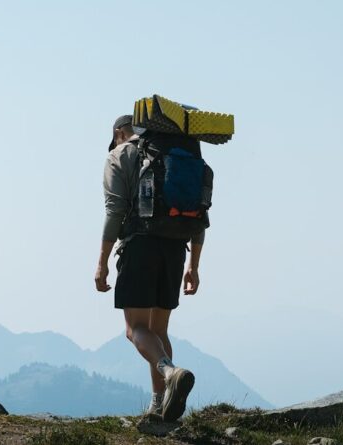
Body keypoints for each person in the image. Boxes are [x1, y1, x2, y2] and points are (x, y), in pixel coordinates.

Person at [96, 114, 205, 422]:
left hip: (139, 246)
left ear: (119, 132)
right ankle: (160, 404)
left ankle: (169, 372)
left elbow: (114, 210)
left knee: (135, 330)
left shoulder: (120, 155)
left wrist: (102, 262)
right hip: (174, 249)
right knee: (159, 330)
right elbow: (198, 215)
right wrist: (194, 267)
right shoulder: (173, 155)